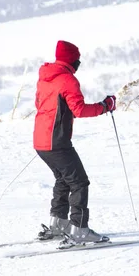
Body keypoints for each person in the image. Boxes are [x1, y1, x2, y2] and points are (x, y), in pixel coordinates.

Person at [33, 40, 117, 244]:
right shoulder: (67, 80)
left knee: (63, 179)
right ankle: (79, 229)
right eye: (77, 58)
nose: (79, 62)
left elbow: (40, 104)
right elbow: (79, 110)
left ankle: (58, 224)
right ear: (72, 59)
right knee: (79, 182)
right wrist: (105, 106)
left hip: (41, 141)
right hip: (57, 141)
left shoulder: (45, 78)